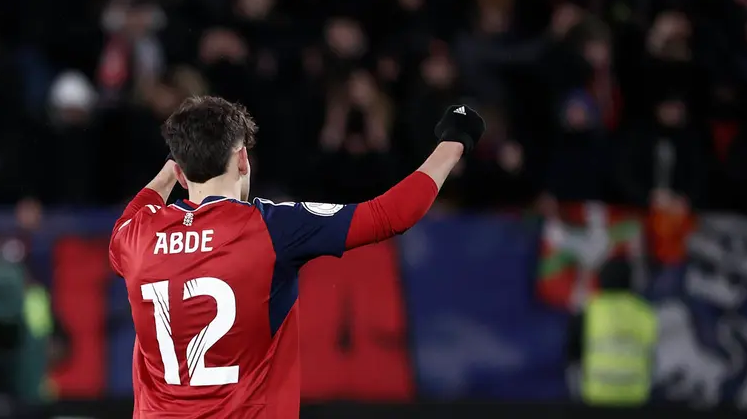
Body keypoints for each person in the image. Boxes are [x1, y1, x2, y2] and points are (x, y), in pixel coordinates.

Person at [108, 97, 484, 418]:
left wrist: (173, 169)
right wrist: (455, 140)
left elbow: (132, 216)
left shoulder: (139, 236)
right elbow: (391, 215)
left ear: (179, 170)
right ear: (242, 160)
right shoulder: (272, 228)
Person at [566, 257, 657, 406]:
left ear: (601, 281)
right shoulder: (646, 313)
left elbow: (572, 356)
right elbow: (654, 357)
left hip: (596, 397)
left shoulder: (589, 311)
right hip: (635, 398)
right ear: (630, 282)